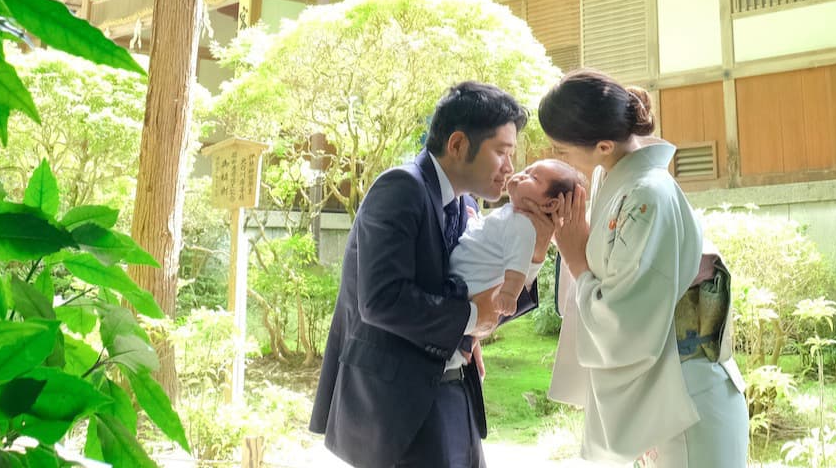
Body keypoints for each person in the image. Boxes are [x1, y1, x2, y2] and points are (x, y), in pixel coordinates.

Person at [310, 81, 539, 468]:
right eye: (501, 152)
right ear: (458, 145)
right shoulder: (400, 188)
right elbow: (382, 300)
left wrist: (537, 246)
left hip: (453, 390)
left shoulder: (464, 201)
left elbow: (479, 294)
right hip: (400, 411)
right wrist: (467, 319)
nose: (510, 168)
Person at [539, 70, 749, 468]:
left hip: (687, 397)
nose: (557, 158)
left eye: (561, 149)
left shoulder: (647, 193)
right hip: (661, 394)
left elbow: (625, 321)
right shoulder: (611, 179)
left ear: (603, 145)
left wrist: (575, 257)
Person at [449, 158, 584, 316]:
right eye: (527, 171)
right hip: (463, 280)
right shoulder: (511, 212)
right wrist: (475, 221)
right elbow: (491, 233)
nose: (520, 175)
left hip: (467, 286)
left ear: (550, 204)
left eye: (534, 178)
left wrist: (509, 294)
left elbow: (517, 265)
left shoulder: (523, 226)